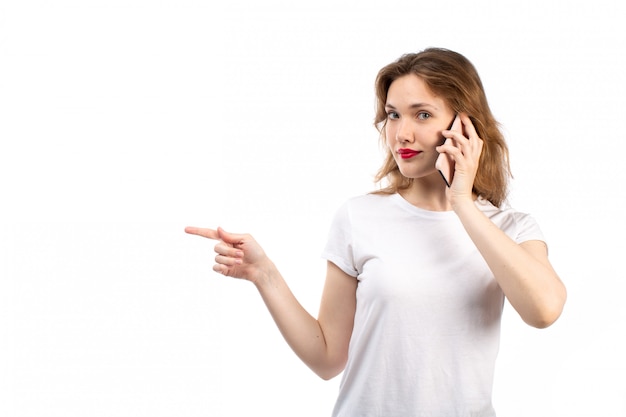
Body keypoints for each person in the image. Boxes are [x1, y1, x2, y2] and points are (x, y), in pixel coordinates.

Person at [185, 47, 567, 417]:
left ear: (463, 126)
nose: (401, 133)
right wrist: (264, 274)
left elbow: (544, 311)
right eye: (393, 115)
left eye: (422, 114)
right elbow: (327, 358)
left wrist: (463, 202)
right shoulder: (360, 217)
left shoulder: (510, 228)